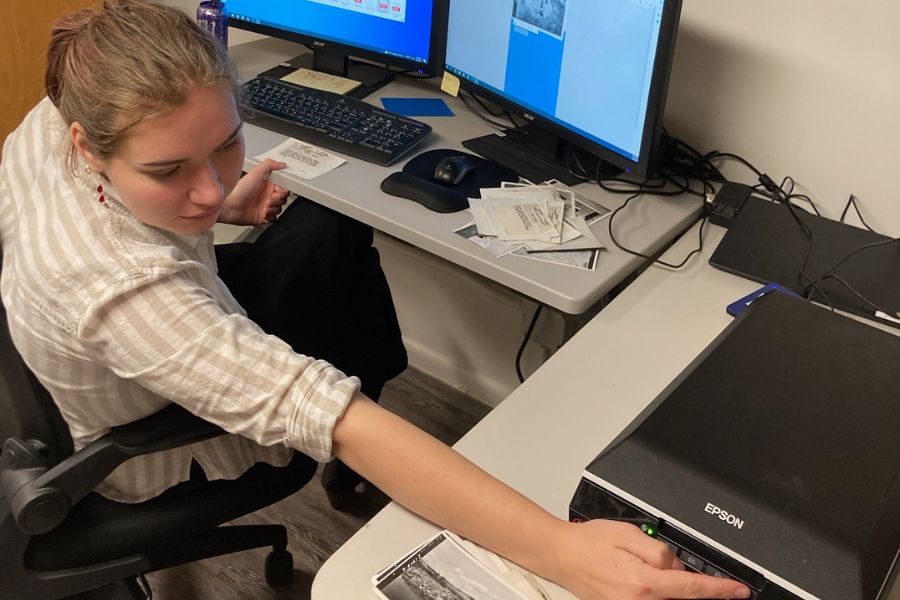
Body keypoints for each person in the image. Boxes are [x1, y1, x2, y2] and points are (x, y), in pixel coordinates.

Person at [0, 2, 751, 599]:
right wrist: (563, 550)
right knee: (347, 339)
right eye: (169, 172)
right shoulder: (119, 290)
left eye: (225, 143)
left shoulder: (54, 119)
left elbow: (161, 194)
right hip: (155, 429)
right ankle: (361, 430)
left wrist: (216, 208)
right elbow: (332, 414)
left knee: (329, 223)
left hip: (113, 348)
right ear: (86, 145)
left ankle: (370, 374)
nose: (209, 185)